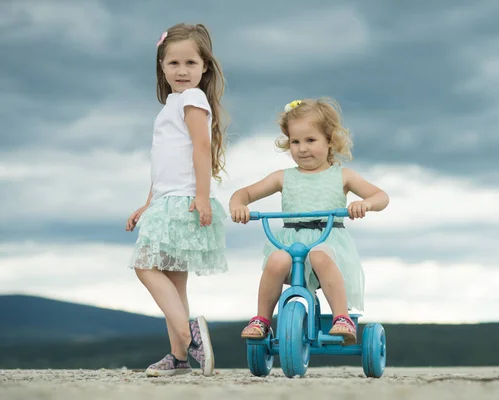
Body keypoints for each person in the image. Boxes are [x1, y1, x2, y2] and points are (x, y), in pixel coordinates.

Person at [229, 98, 389, 344]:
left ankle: (341, 318)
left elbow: (381, 197)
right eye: (295, 142)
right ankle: (262, 319)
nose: (302, 148)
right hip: (290, 243)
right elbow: (244, 194)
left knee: (319, 254)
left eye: (311, 140)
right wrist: (238, 206)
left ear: (330, 141)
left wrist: (364, 203)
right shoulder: (283, 178)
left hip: (328, 243)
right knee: (277, 259)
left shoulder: (342, 176)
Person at [125, 23, 228, 377]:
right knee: (174, 279)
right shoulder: (172, 103)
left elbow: (201, 148)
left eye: (190, 63)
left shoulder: (193, 98)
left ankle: (188, 334)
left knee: (144, 264)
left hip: (184, 200)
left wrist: (202, 196)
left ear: (205, 68)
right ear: (162, 67)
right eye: (173, 64)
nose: (182, 71)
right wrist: (147, 203)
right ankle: (180, 356)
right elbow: (165, 164)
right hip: (166, 201)